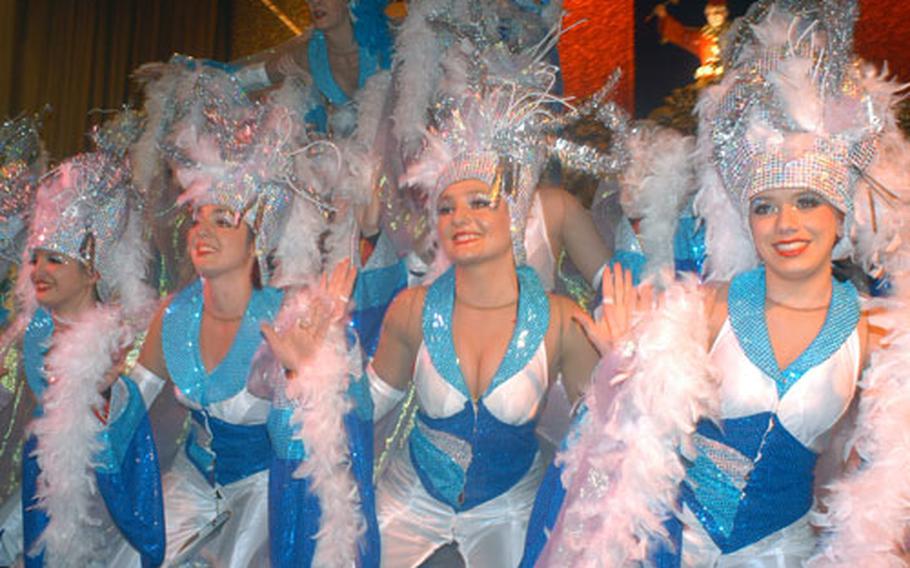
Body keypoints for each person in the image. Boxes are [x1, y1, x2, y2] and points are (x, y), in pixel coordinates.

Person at [525, 1, 910, 565]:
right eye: (765, 207)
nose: (787, 224)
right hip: (678, 546)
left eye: (807, 202)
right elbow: (634, 444)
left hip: (787, 553)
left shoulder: (880, 333)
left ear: (840, 216)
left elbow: (874, 477)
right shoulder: (703, 309)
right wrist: (620, 368)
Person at [132, 64, 380, 567]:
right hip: (193, 480)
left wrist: (301, 374)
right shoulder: (174, 315)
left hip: (265, 493)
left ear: (257, 241)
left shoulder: (288, 319)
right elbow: (124, 410)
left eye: (224, 220)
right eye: (198, 216)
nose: (203, 229)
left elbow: (318, 449)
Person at [0, 112, 164, 567]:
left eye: (55, 259)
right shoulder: (29, 333)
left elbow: (152, 440)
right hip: (37, 496)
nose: (39, 271)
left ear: (92, 271)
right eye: (35, 258)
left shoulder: (125, 341)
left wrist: (111, 396)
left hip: (107, 511)